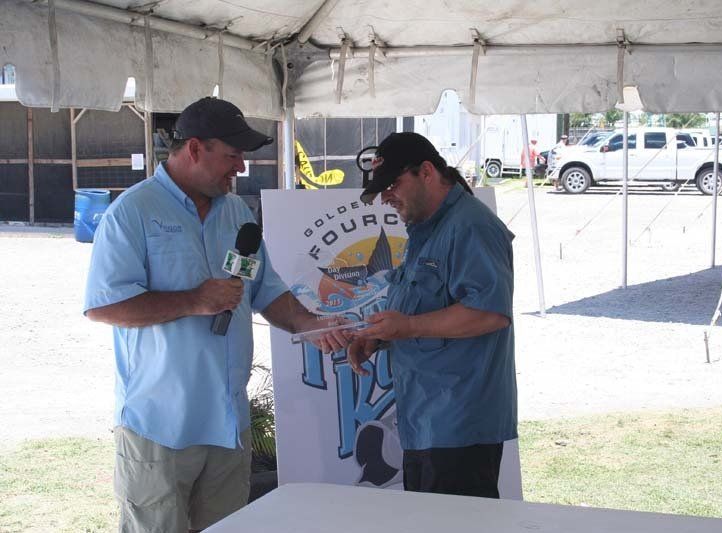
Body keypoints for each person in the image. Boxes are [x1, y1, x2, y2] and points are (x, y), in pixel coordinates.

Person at [84, 97, 346, 532]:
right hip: (160, 428)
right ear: (194, 149)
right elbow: (104, 306)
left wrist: (310, 324)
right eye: (232, 155)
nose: (241, 167)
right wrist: (193, 300)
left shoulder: (236, 213)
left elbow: (266, 290)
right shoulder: (132, 213)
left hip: (229, 428)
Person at [347, 132, 517, 499]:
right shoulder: (426, 226)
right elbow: (423, 304)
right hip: (423, 418)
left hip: (459, 425)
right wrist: (379, 336)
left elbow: (491, 313)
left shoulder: (470, 225)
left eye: (392, 184)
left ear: (426, 171)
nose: (387, 196)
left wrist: (406, 327)